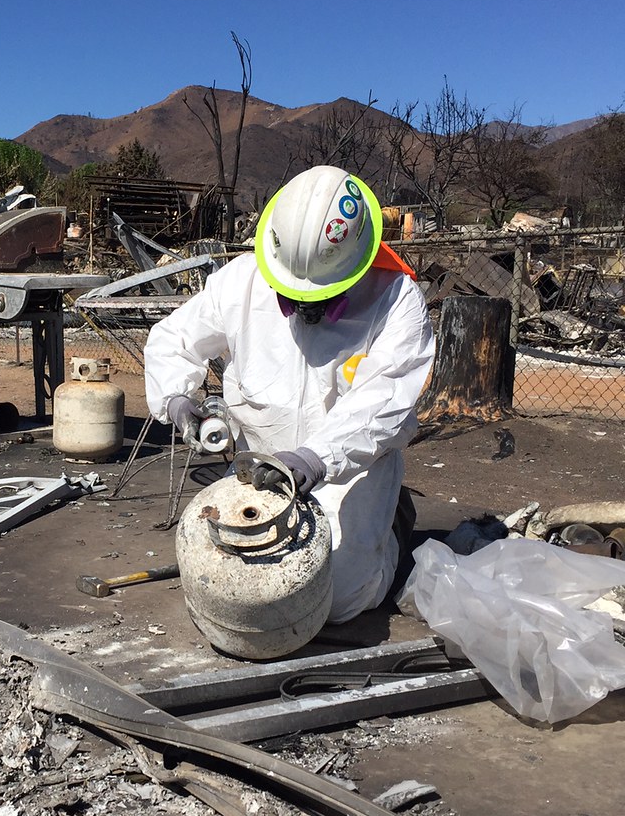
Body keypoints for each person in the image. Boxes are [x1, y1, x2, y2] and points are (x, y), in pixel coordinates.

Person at [144, 165, 436, 623]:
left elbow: (385, 402)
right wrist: (178, 399)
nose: (301, 306)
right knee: (233, 583)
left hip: (347, 472)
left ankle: (391, 524)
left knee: (332, 597)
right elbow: (172, 341)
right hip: (259, 474)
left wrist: (316, 458)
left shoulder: (395, 300)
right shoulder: (240, 281)